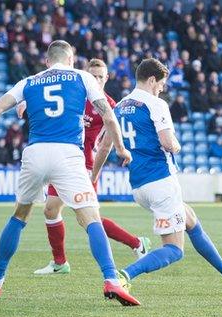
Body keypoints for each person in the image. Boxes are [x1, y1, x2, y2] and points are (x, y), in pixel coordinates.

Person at [0, 40, 138, 306]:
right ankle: (111, 280)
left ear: (47, 61)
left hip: (35, 153)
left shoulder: (29, 81)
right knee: (90, 218)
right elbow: (107, 115)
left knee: (20, 215)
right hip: (69, 154)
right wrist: (121, 148)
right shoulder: (82, 77)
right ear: (70, 60)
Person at [92, 59, 222, 304]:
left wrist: (94, 178)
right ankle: (123, 276)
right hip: (161, 181)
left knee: (191, 219)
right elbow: (167, 143)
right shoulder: (155, 104)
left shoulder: (119, 107)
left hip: (139, 186)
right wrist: (177, 144)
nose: (162, 89)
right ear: (152, 80)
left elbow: (103, 148)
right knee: (174, 250)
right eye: (161, 83)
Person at [33, 58, 151, 275]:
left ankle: (136, 243)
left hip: (84, 164)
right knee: (50, 209)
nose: (96, 80)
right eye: (93, 76)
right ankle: (60, 262)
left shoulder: (108, 105)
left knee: (87, 219)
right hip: (62, 160)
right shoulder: (74, 94)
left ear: (106, 79)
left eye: (100, 77)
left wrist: (94, 175)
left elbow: (105, 146)